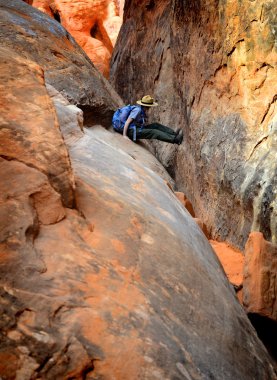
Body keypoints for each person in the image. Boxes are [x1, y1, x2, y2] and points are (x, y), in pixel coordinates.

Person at [112, 95, 183, 144]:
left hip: (134, 128)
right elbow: (127, 122)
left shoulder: (140, 109)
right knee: (153, 132)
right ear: (147, 106)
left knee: (156, 125)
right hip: (130, 131)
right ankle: (175, 140)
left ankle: (174, 134)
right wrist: (125, 135)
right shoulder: (137, 110)